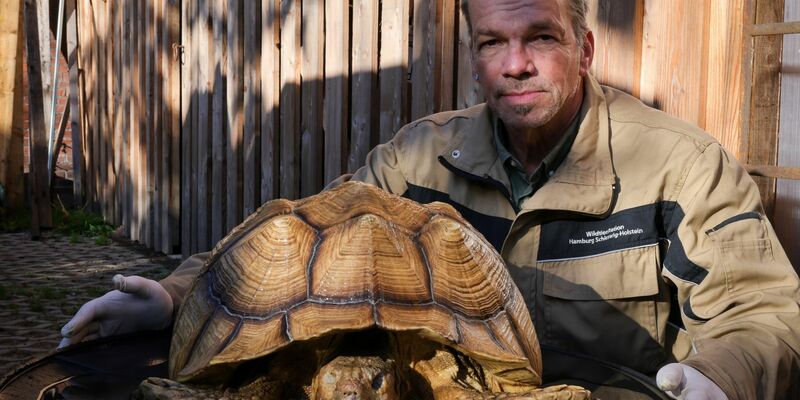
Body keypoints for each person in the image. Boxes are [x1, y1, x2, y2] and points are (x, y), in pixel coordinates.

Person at [59, 0, 800, 398]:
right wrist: (176, 292)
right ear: (474, 55)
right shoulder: (418, 158)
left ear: (584, 47)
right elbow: (292, 242)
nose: (514, 64)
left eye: (539, 36)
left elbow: (763, 316)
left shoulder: (679, 166)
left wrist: (722, 378)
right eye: (490, 43)